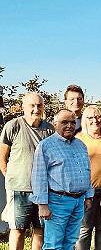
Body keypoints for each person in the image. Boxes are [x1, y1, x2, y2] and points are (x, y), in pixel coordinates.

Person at [30, 109, 94, 250]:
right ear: (55, 124)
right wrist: (42, 205)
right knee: (53, 244)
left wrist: (89, 196)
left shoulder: (81, 145)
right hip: (57, 202)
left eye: (72, 122)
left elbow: (87, 171)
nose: (69, 126)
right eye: (64, 122)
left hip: (79, 202)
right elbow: (38, 176)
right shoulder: (45, 146)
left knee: (70, 242)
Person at [0, 93, 54, 250]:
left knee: (39, 230)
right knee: (18, 230)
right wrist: (11, 179)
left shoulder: (50, 130)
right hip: (19, 190)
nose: (36, 109)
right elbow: (2, 157)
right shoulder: (13, 126)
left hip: (43, 192)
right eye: (32, 105)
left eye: (39, 105)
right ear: (23, 107)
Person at [75, 106, 101, 250]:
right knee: (85, 229)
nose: (95, 120)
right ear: (84, 120)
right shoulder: (79, 139)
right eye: (90, 117)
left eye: (98, 117)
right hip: (86, 192)